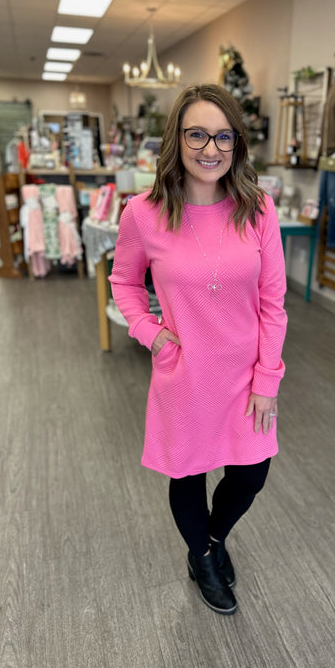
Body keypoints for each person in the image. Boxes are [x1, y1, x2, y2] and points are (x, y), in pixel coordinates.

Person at [109, 84, 288, 616]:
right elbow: (123, 283)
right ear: (177, 139)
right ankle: (202, 555)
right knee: (186, 473)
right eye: (197, 134)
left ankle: (210, 538)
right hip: (184, 372)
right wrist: (152, 333)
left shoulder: (258, 209)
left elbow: (273, 303)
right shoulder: (143, 213)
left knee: (251, 473)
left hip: (245, 373)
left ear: (236, 143)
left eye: (223, 136)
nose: (210, 148)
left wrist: (267, 379)